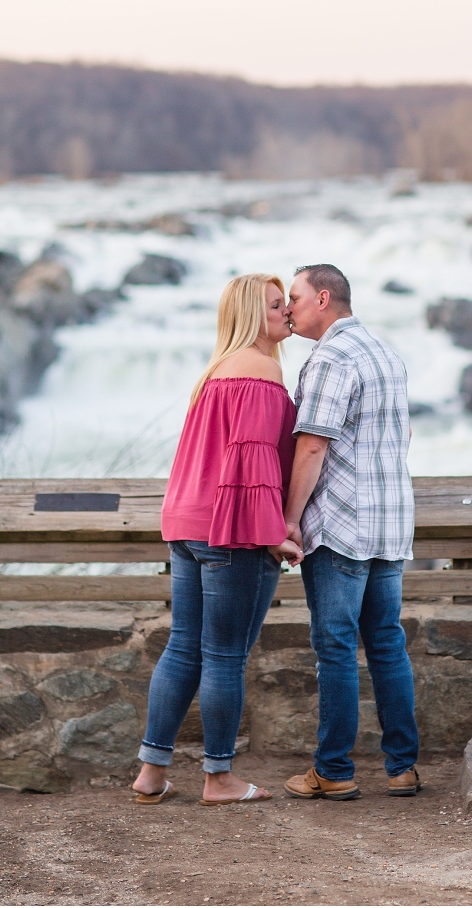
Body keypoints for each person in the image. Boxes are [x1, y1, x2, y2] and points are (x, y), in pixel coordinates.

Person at [132, 273, 302, 806]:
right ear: (254, 316)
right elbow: (251, 463)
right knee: (225, 655)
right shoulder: (262, 372)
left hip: (187, 523)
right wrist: (274, 533)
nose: (287, 314)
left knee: (183, 646)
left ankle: (151, 773)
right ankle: (219, 777)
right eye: (277, 307)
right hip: (229, 531)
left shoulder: (214, 373)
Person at [282, 264, 420, 801]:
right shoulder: (386, 352)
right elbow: (401, 433)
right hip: (390, 521)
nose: (288, 308)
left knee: (335, 647)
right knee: (387, 643)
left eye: (293, 297)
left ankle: (334, 770)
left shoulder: (331, 359)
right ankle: (402, 767)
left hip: (342, 524)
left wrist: (291, 520)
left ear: (322, 298)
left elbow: (313, 445)